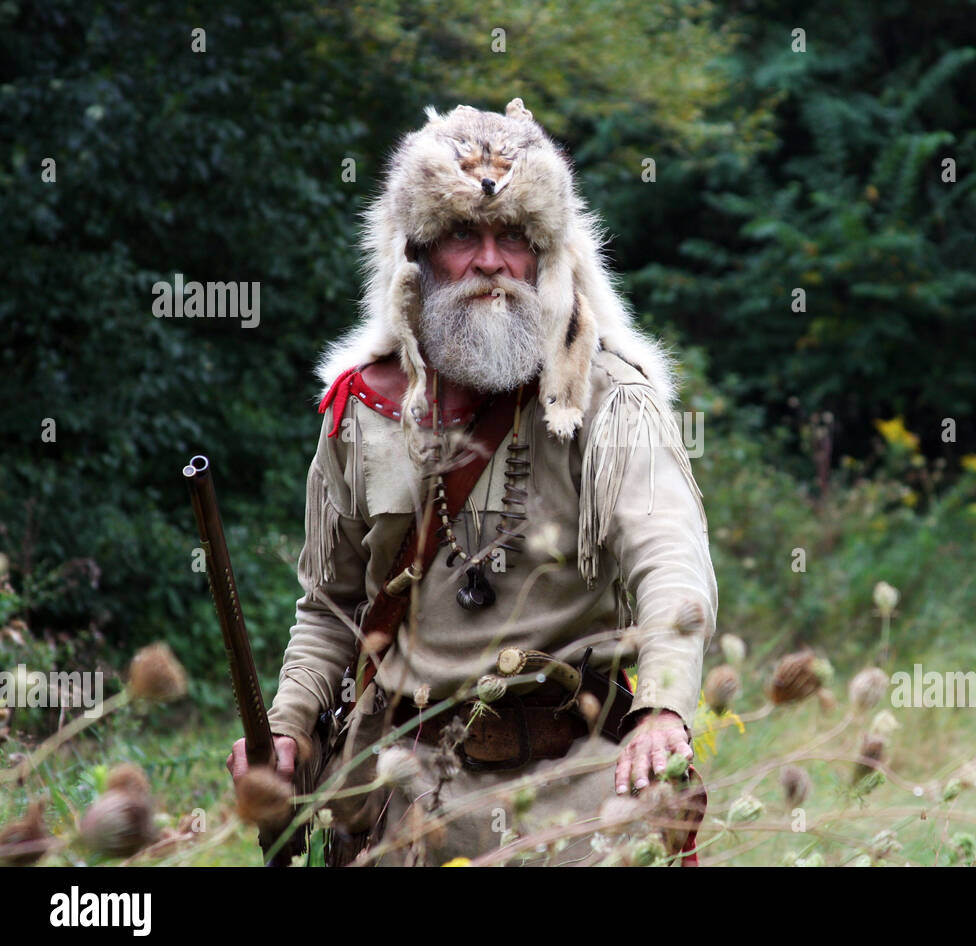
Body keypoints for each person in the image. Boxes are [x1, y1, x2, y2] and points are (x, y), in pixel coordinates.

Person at [227, 98, 717, 865]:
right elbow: (329, 608)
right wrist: (288, 729)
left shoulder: (610, 398)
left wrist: (661, 710)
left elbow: (671, 562)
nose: (491, 260)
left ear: (544, 256)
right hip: (409, 802)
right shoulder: (363, 409)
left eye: (514, 237)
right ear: (418, 258)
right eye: (463, 235)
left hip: (582, 798)